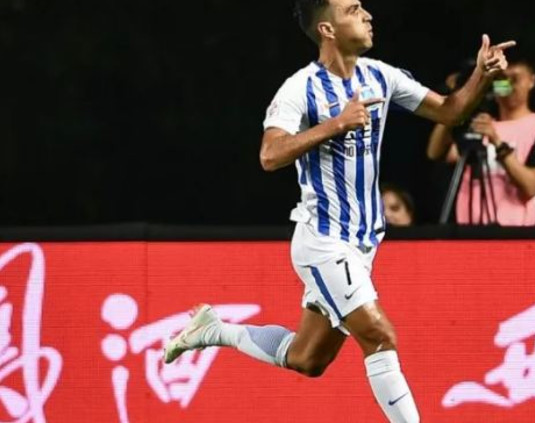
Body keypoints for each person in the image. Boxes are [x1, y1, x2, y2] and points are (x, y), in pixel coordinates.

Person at [163, 0, 514, 421]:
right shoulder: (299, 88)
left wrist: (481, 75)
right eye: (353, 9)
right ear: (327, 29)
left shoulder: (380, 76)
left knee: (307, 358)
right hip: (323, 241)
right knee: (379, 336)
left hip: (363, 245)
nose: (367, 15)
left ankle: (213, 330)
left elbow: (450, 111)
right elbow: (270, 155)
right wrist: (334, 124)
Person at [427, 61, 535, 226]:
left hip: (522, 233)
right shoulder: (480, 125)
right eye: (502, 79)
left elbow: (532, 186)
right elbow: (435, 152)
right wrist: (457, 102)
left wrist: (496, 141)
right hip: (471, 231)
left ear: (531, 81)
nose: (508, 85)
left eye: (515, 79)